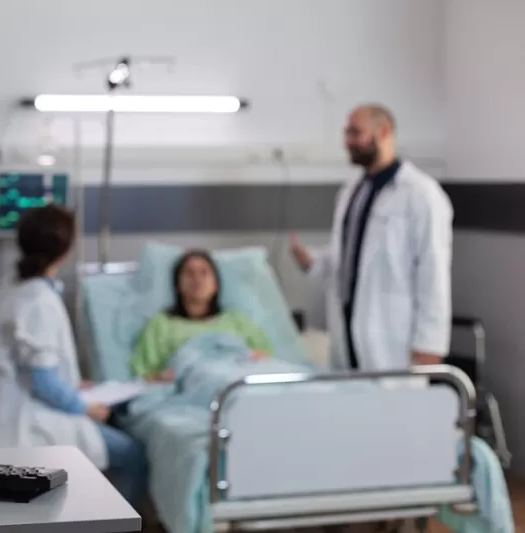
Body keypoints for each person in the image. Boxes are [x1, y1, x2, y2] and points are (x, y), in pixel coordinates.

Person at [0, 204, 147, 506]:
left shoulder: (11, 288)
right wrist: (84, 407)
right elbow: (43, 383)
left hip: (1, 412)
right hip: (25, 422)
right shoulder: (38, 299)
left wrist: (73, 384)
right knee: (131, 454)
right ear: (66, 249)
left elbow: (36, 369)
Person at [290, 104, 453, 371]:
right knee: (354, 403)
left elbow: (433, 273)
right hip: (349, 328)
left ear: (384, 131)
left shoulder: (421, 195)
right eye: (346, 133)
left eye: (355, 133)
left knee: (396, 408)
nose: (348, 141)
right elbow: (350, 256)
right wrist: (313, 261)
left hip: (393, 337)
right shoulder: (351, 192)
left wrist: (431, 344)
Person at [130, 249, 273, 381]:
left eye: (204, 272)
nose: (197, 279)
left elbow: (264, 357)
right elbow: (144, 375)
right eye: (189, 273)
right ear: (177, 285)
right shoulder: (161, 324)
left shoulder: (236, 320)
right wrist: (164, 377)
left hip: (234, 383)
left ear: (215, 284)